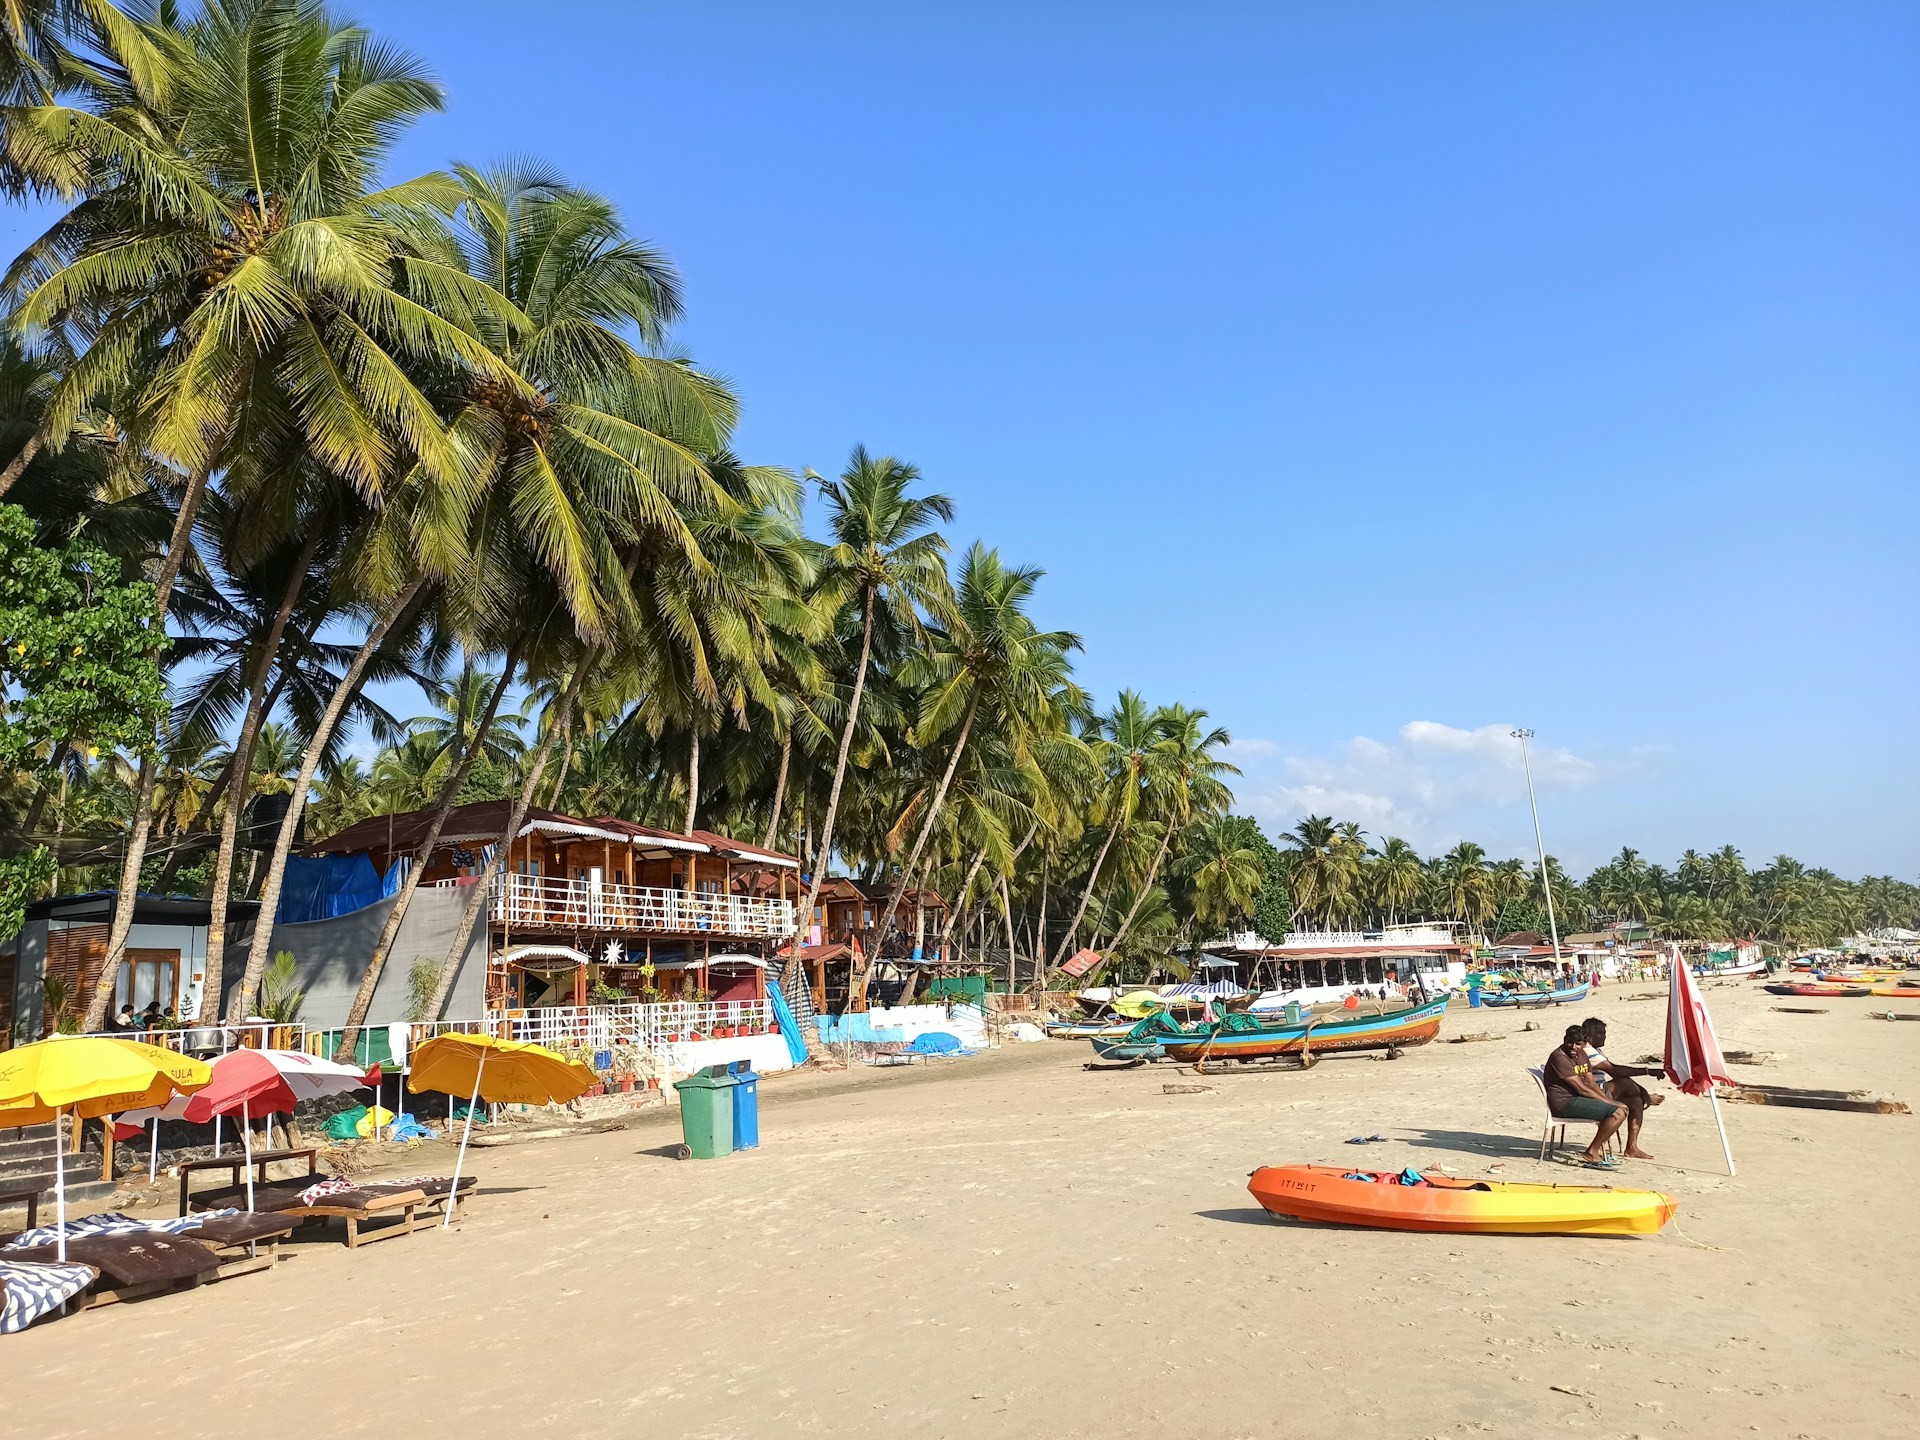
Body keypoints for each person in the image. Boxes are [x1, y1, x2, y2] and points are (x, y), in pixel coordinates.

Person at [1543, 1023, 1625, 1167]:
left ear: (1584, 1044)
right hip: (1564, 1103)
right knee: (1617, 1112)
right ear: (1564, 1039)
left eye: (1578, 1044)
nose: (1573, 1047)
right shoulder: (1559, 1057)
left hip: (1578, 1098)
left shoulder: (1582, 1055)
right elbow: (1582, 1089)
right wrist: (1611, 1104)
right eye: (1570, 1042)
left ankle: (1597, 1148)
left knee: (1622, 1109)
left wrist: (1608, 1100)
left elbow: (1592, 1084)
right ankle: (1591, 1152)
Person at [1581, 1017, 1662, 1160]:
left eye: (1604, 1033)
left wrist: (1641, 1090)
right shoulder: (1586, 1050)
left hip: (1600, 1089)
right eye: (1600, 1033)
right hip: (1591, 1093)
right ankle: (1647, 1097)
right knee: (1624, 1082)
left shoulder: (1596, 1050)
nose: (1603, 1036)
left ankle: (1632, 1147)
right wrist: (1647, 1071)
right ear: (1588, 1035)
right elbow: (1615, 1071)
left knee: (1636, 1101)